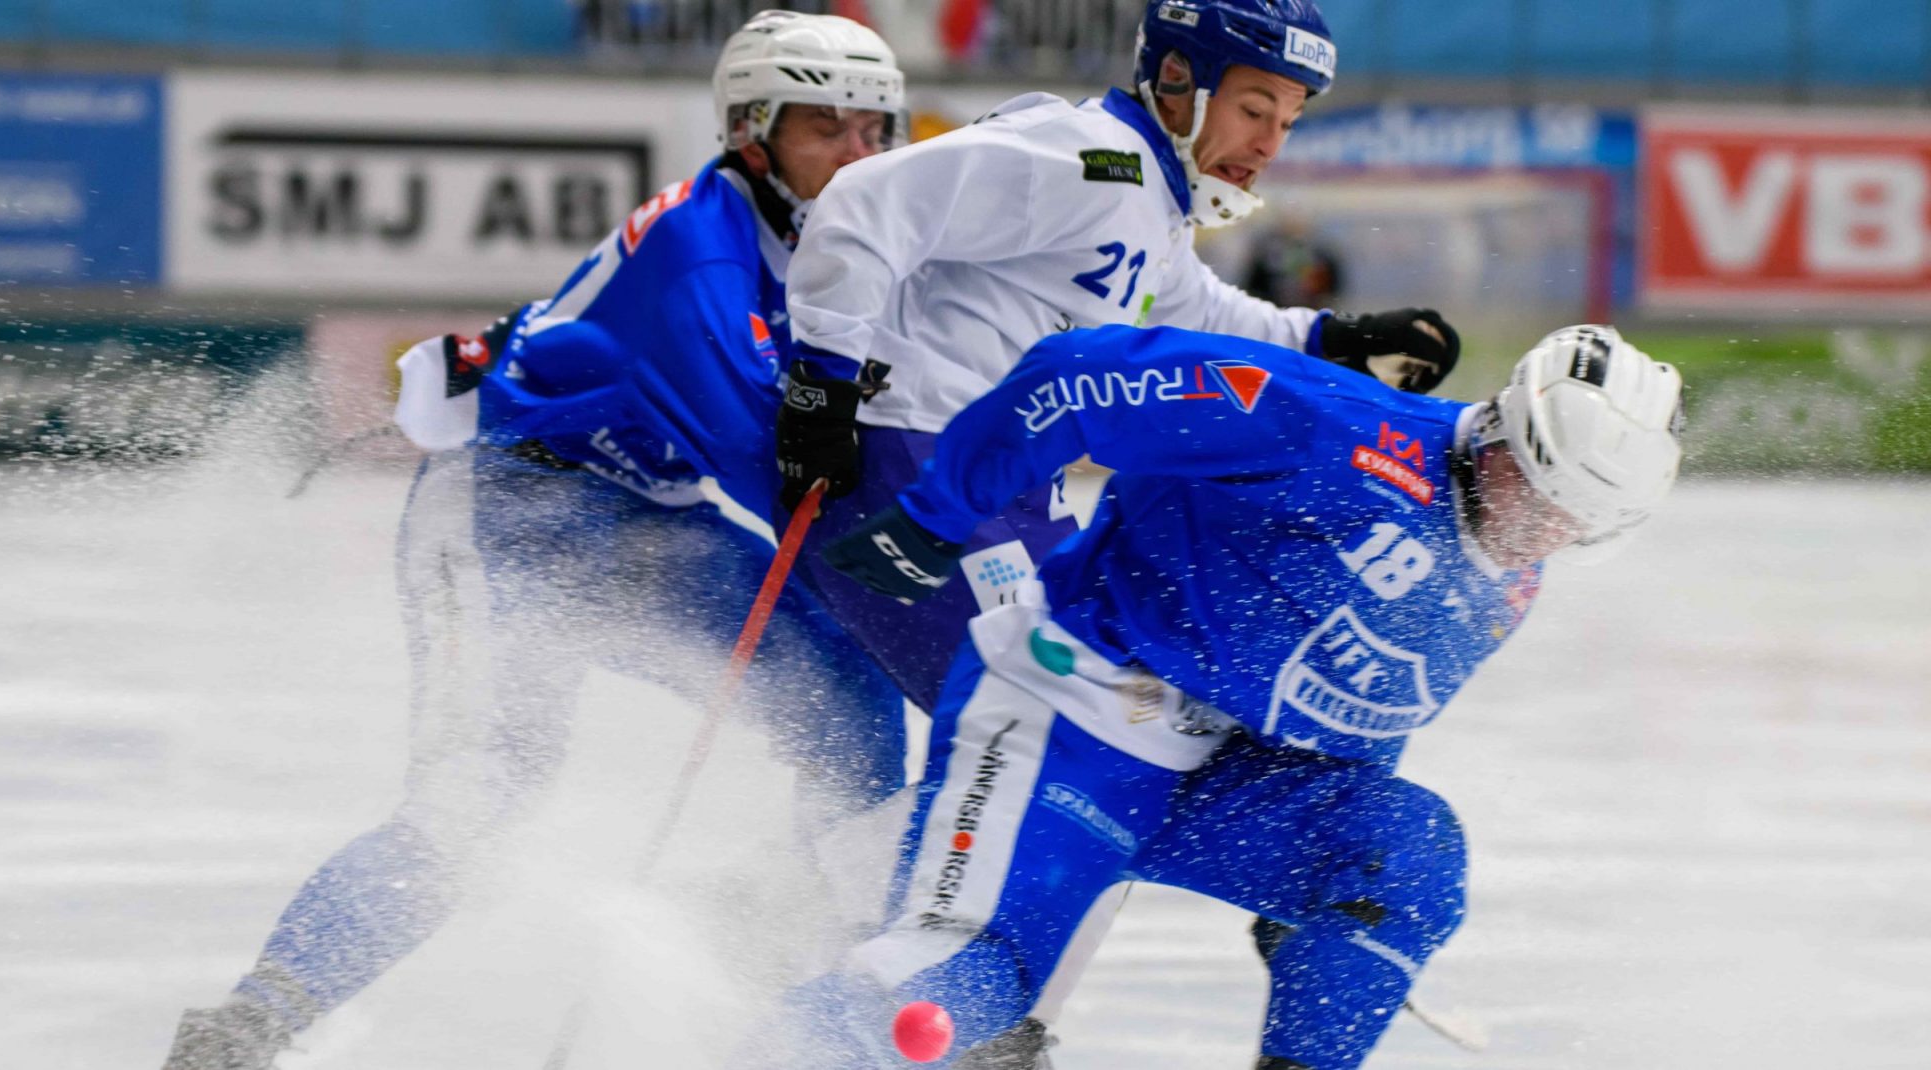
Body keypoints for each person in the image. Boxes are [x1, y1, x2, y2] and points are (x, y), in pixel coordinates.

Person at [160, 13, 913, 1069]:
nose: (857, 154)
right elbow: (776, 462)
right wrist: (941, 585)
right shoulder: (699, 255)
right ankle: (249, 1022)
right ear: (751, 132)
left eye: (874, 130)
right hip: (506, 507)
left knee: (849, 704)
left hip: (648, 514)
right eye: (823, 128)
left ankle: (821, 973)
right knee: (478, 797)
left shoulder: (825, 236)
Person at [795, 324, 1684, 1070]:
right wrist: (939, 511)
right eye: (1530, 486)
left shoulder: (1512, 582)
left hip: (1221, 782)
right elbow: (1085, 374)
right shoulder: (1330, 425)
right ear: (1500, 428)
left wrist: (1314, 904)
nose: (1543, 529)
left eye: (1576, 523)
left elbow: (1361, 709)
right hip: (1077, 712)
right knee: (965, 982)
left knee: (1407, 857)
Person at [774, 0, 1463, 721]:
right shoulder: (1086, 156)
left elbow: (1202, 318)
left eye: (1285, 123)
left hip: (1007, 482)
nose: (1268, 147)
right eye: (1255, 110)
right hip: (912, 456)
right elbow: (862, 200)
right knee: (1050, 726)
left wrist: (1338, 339)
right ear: (1175, 78)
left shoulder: (1148, 195)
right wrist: (823, 384)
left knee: (1133, 715)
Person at [1245, 212, 1344, 308]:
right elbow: (1254, 285)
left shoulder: (1321, 255)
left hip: (1310, 310)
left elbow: (1332, 287)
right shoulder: (1266, 254)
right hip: (1277, 310)